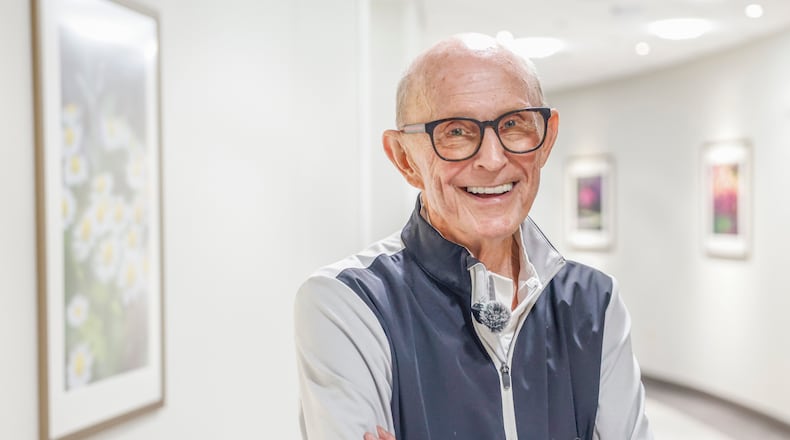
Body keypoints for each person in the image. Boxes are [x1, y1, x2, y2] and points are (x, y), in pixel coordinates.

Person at [294, 33, 653, 440]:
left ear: (547, 138)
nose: (493, 159)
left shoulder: (594, 303)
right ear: (404, 158)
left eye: (513, 124)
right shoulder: (348, 303)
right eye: (456, 132)